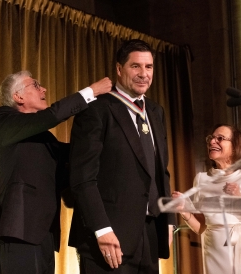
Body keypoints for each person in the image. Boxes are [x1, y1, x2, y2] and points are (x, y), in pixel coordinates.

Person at [68, 39, 176, 273]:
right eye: (135, 66)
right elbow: (82, 177)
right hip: (109, 238)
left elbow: (161, 172)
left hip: (149, 234)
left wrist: (168, 219)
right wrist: (101, 229)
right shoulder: (96, 109)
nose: (143, 74)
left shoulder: (156, 112)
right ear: (119, 69)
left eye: (149, 67)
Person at [0, 70, 112, 273]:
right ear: (18, 97)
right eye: (36, 85)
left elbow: (78, 157)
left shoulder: (47, 140)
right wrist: (91, 92)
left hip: (44, 233)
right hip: (18, 231)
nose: (44, 89)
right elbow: (53, 115)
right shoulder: (2, 119)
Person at [172, 124, 241, 274]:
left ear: (235, 146)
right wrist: (184, 211)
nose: (212, 142)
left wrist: (239, 198)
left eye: (220, 138)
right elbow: (202, 227)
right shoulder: (201, 179)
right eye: (211, 138)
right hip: (214, 255)